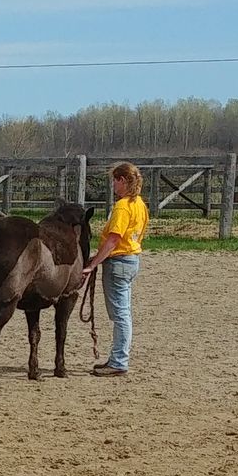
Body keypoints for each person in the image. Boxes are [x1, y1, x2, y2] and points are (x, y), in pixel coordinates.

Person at [81, 161, 150, 377]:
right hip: (131, 259)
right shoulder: (139, 204)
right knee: (123, 312)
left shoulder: (122, 206)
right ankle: (117, 357)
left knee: (120, 314)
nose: (113, 185)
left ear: (121, 180)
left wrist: (93, 264)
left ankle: (119, 360)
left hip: (118, 262)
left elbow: (113, 240)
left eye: (114, 180)